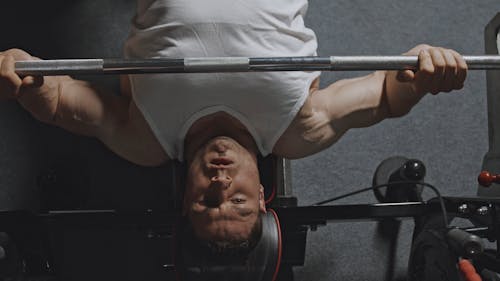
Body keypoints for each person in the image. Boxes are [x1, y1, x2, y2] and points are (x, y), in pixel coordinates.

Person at [0, 0, 467, 253]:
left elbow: (60, 99)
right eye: (238, 200)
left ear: (185, 198)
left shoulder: (144, 141)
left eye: (208, 200)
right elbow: (386, 94)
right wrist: (424, 75)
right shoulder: (296, 132)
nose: (221, 181)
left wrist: (23, 76)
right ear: (262, 195)